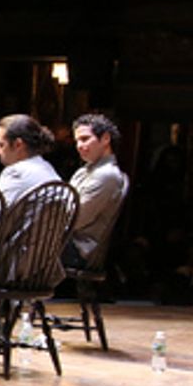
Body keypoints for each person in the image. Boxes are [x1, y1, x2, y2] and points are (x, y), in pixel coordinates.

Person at [0, 114, 62, 335]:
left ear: (18, 144)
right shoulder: (50, 171)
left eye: (0, 145)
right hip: (43, 268)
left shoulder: (16, 174)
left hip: (13, 270)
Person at [61, 113, 128, 270]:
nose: (79, 145)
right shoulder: (84, 170)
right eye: (77, 141)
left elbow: (74, 220)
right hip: (66, 242)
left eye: (85, 139)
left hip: (78, 250)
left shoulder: (107, 174)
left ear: (105, 139)